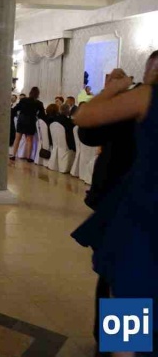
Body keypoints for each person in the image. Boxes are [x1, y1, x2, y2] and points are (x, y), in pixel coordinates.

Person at [71, 64, 157, 357]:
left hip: (136, 211)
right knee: (123, 281)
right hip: (129, 206)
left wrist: (110, 90)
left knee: (126, 282)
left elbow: (83, 116)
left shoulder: (144, 97)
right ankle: (111, 342)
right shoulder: (142, 97)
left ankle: (115, 344)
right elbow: (87, 129)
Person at [10, 86, 45, 162]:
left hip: (21, 120)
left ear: (30, 93)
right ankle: (28, 157)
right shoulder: (39, 103)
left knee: (17, 138)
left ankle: (13, 155)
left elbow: (15, 109)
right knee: (29, 140)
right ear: (37, 94)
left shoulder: (23, 100)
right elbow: (42, 115)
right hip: (31, 121)